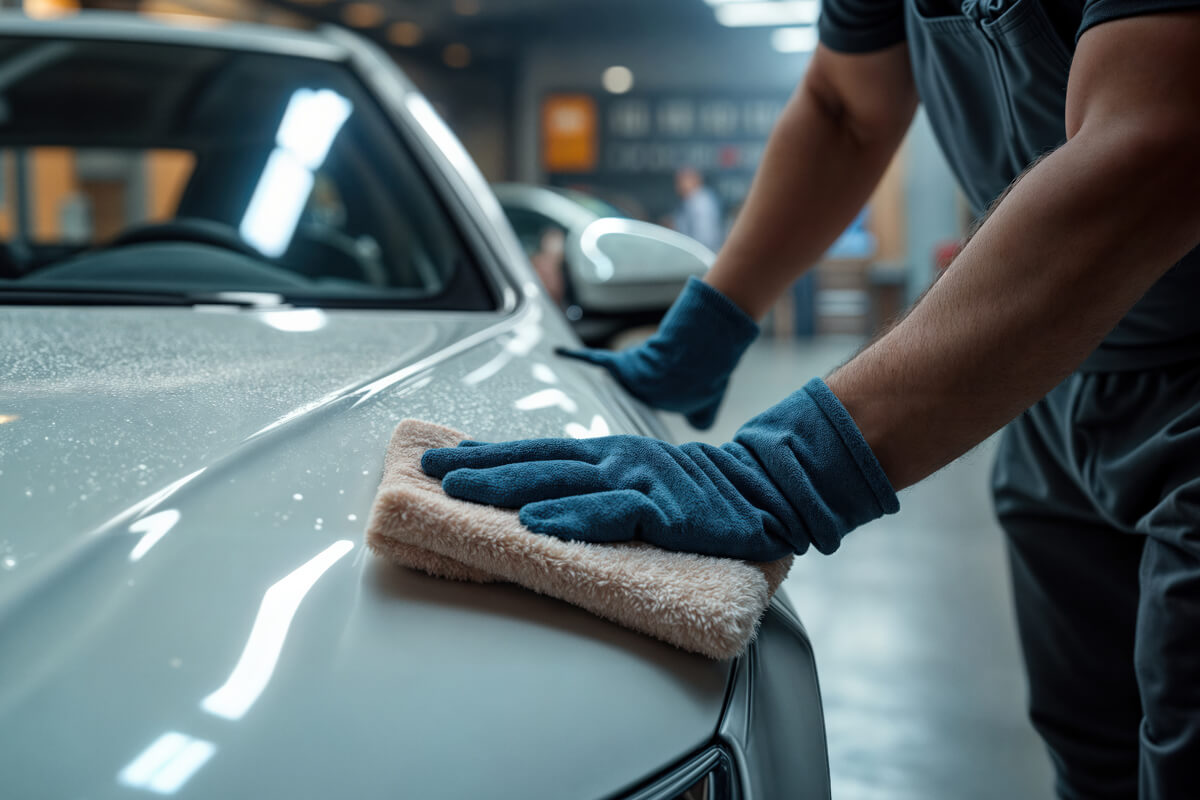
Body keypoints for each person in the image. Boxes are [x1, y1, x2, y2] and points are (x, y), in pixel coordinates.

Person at [423, 3, 1200, 796]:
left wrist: (784, 471)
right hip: (1047, 375)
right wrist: (709, 322)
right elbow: (842, 108)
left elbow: (1154, 139)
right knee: (1091, 751)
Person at [670, 166, 724, 251]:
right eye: (677, 181)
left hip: (701, 256)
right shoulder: (689, 201)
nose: (678, 185)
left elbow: (704, 239)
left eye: (683, 180)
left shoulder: (701, 203)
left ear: (696, 180)